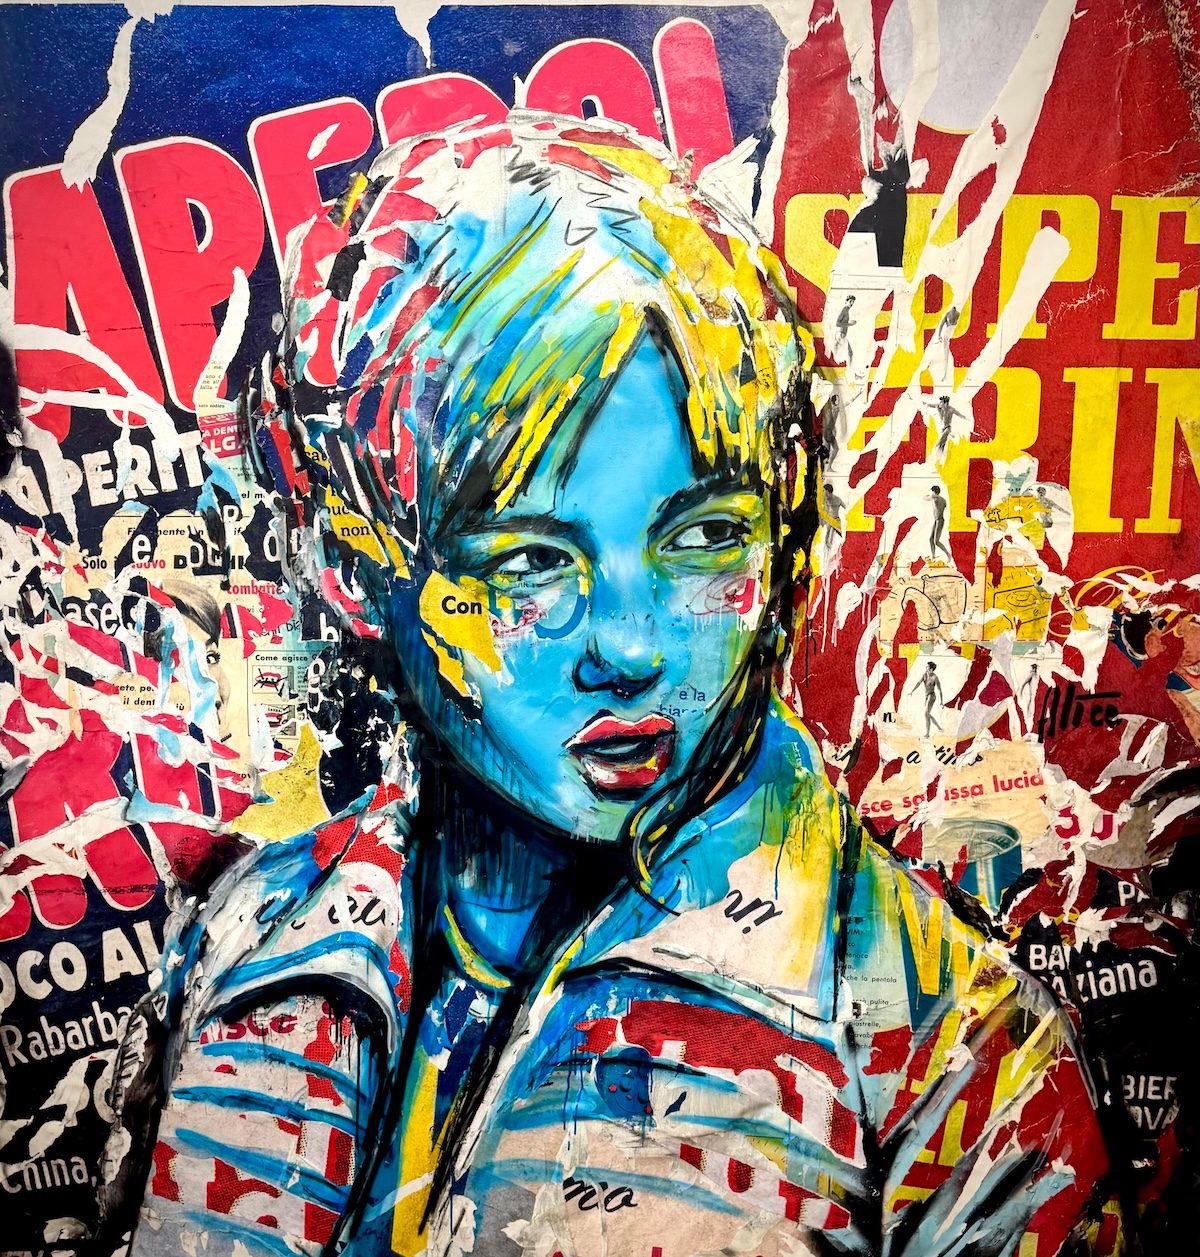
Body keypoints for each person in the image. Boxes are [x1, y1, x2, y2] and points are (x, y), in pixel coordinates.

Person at [103, 113, 1110, 1257]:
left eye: (705, 537)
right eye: (531, 560)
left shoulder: (949, 1061)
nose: (631, 648)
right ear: (357, 567)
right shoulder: (252, 941)